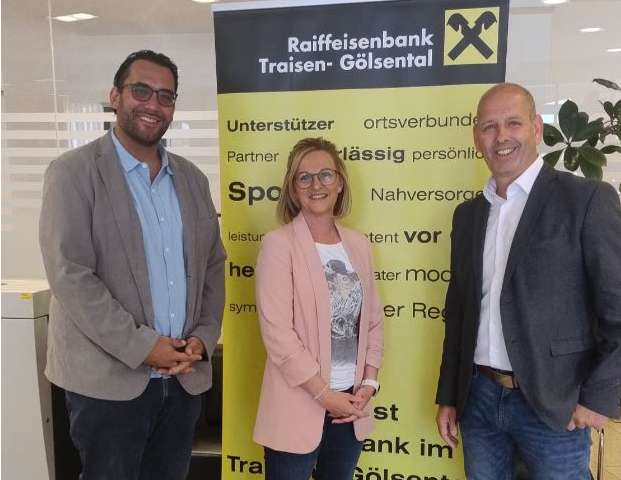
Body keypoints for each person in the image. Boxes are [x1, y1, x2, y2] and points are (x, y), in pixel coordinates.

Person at [435, 82, 621, 480]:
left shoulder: (586, 199)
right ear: (477, 138)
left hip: (555, 405)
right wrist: (449, 396)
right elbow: (457, 313)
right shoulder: (468, 215)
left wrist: (598, 396)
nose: (501, 136)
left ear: (535, 129)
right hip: (479, 399)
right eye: (489, 126)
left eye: (513, 123)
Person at [39, 50, 226, 480]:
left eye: (165, 96)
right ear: (115, 96)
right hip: (108, 383)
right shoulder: (73, 173)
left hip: (182, 378)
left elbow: (214, 266)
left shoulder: (192, 179)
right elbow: (70, 275)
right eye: (141, 90)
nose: (153, 104)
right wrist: (143, 346)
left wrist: (202, 338)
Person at [253, 137, 384, 480]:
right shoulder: (278, 245)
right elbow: (278, 334)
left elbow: (372, 321)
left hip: (351, 406)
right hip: (297, 405)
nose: (317, 185)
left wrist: (370, 382)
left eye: (326, 175)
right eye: (304, 177)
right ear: (293, 188)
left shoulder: (358, 244)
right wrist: (325, 395)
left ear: (340, 182)